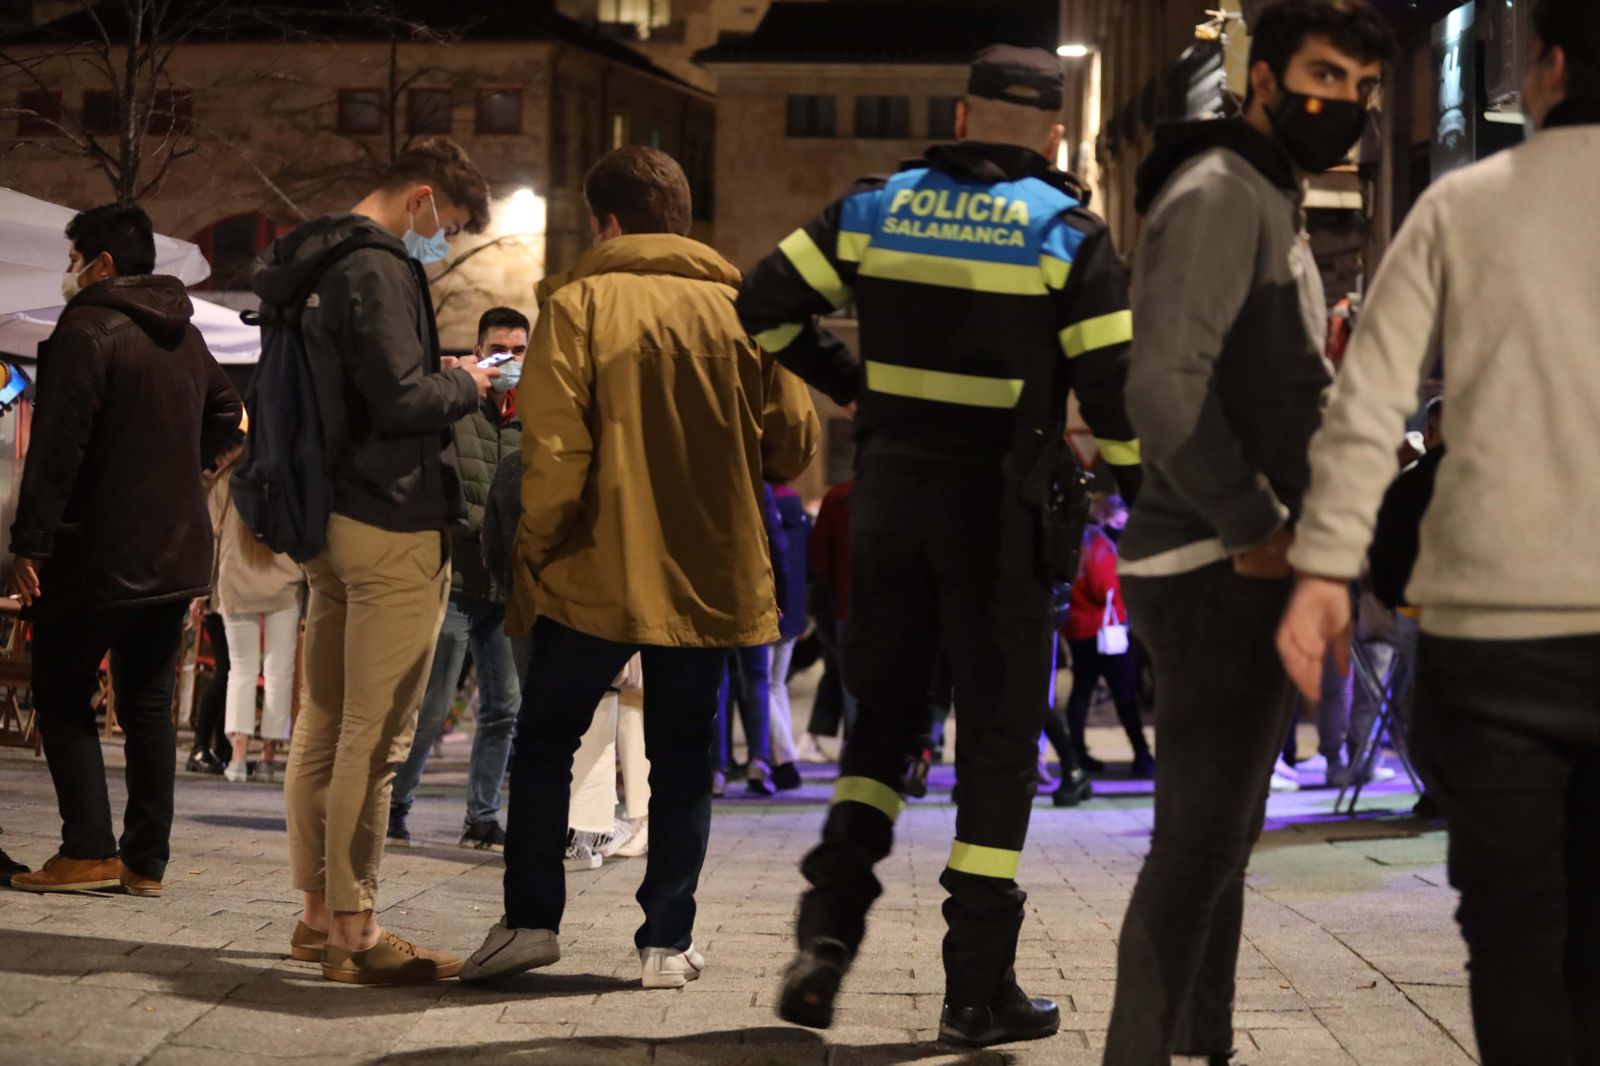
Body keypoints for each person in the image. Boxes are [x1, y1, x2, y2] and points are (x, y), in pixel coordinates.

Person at [739, 45, 1142, 1046]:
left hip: (888, 504)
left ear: (960, 121)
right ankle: (976, 988)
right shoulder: (1063, 232)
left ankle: (827, 932)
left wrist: (852, 386)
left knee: (882, 730)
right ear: (1050, 133)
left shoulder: (877, 209)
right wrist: (1141, 488)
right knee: (999, 746)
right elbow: (1111, 392)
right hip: (1001, 516)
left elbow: (764, 303)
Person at [1277, 4, 1600, 1061]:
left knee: (1510, 929)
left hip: (1490, 628)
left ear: (1544, 71)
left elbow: (1370, 401)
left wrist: (1325, 564)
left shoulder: (1461, 207)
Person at [1102, 1, 1395, 1060]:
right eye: (1324, 76)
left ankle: (1196, 1042)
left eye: (1362, 90)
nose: (1344, 106)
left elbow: (1250, 378)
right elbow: (1163, 388)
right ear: (1262, 78)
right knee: (1193, 846)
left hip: (1234, 558)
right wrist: (1256, 522)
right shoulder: (1224, 191)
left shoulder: (1266, 195)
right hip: (1210, 558)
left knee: (1219, 839)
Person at [459, 146, 818, 988]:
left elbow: (554, 453)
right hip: (707, 570)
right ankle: (666, 940)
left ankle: (530, 922)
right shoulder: (746, 309)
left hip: (592, 568)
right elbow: (795, 444)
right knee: (684, 755)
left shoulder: (579, 304)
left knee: (545, 746)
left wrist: (536, 551)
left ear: (607, 222)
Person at [252, 137, 499, 984]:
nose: (445, 240)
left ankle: (317, 915)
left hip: (326, 520)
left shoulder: (307, 256)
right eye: (450, 224)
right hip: (392, 519)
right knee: (375, 734)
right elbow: (400, 398)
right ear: (423, 197)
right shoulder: (380, 267)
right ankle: (356, 933)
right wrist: (471, 382)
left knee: (322, 724)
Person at [8, 203, 242, 897]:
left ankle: (87, 848)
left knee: (60, 693)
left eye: (72, 258)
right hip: (174, 554)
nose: (68, 273)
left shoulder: (88, 328)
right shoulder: (185, 334)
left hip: (96, 552)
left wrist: (31, 543)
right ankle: (146, 862)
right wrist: (180, 474)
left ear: (102, 263)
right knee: (146, 703)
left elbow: (56, 449)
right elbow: (229, 416)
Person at [388, 306, 527, 851]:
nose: (509, 360)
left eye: (518, 350)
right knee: (431, 706)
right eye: (499, 349)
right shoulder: (456, 401)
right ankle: (397, 805)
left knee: (503, 709)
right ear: (478, 349)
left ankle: (482, 816)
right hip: (458, 582)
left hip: (506, 588)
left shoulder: (533, 414)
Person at [206, 418, 305, 785]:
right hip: (284, 582)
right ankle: (267, 757)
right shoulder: (293, 475)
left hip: (237, 583)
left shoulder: (227, 478)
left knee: (241, 672)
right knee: (280, 672)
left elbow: (211, 538)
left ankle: (237, 758)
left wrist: (205, 593)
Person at [1060, 494, 1153, 777]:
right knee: (1125, 693)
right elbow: (1104, 590)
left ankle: (1075, 753)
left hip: (1078, 629)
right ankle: (1141, 754)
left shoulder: (1071, 541)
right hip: (1105, 630)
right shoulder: (1098, 545)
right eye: (1118, 521)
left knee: (1081, 691)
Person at [801, 478, 855, 760]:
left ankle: (854, 751)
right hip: (888, 608)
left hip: (842, 606)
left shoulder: (837, 498)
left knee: (847, 679)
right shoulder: (899, 496)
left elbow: (818, 558)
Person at [768, 483, 813, 790]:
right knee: (776, 685)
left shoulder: (764, 505)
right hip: (794, 609)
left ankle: (785, 758)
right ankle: (786, 752)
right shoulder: (800, 514)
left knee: (763, 688)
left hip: (772, 609)